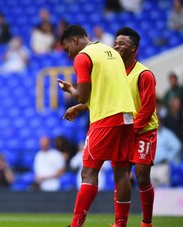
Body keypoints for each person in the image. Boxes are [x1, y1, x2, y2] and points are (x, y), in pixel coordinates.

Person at [57, 25, 135, 227]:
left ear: (75, 41)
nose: (69, 54)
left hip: (105, 119)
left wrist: (71, 90)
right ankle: (121, 223)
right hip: (126, 116)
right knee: (122, 172)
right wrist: (79, 108)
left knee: (89, 172)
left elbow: (83, 95)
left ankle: (75, 225)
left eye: (67, 49)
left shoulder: (82, 57)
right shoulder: (111, 51)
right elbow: (103, 92)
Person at [114, 27, 159, 227]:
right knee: (121, 176)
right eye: (115, 42)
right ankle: (120, 222)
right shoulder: (114, 72)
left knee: (141, 177)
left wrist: (132, 130)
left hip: (143, 131)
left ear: (134, 49)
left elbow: (148, 107)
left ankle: (146, 222)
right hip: (123, 131)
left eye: (122, 43)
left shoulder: (144, 74)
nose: (117, 46)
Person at [151, 118, 181, 187]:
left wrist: (168, 157)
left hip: (162, 166)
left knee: (164, 190)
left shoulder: (166, 133)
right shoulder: (150, 134)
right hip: (151, 167)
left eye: (159, 122)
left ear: (162, 123)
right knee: (150, 191)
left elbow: (177, 146)